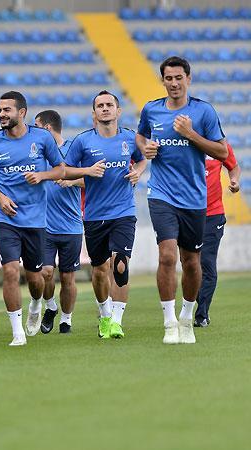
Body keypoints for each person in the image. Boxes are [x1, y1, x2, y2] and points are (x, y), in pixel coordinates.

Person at [136, 56, 228, 344]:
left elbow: (222, 152)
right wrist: (146, 148)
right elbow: (140, 137)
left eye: (179, 78)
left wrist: (190, 134)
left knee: (191, 262)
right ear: (162, 80)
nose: (174, 83)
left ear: (188, 79)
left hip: (194, 198)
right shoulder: (151, 109)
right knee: (167, 256)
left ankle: (187, 318)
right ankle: (169, 323)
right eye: (169, 78)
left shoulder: (203, 111)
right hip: (161, 194)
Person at [0, 91, 65, 346]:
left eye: (7, 110)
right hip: (6, 218)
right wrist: (0, 198)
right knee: (9, 271)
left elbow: (60, 169)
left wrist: (42, 176)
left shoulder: (42, 138)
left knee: (36, 278)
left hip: (36, 220)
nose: (2, 114)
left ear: (22, 112)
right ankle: (17, 332)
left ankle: (36, 304)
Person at [65, 91, 147, 339]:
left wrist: (138, 172)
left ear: (118, 111)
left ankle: (117, 323)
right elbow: (64, 170)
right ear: (94, 113)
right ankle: (105, 315)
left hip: (123, 211)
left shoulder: (130, 138)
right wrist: (87, 171)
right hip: (94, 215)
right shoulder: (82, 141)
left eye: (109, 104)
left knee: (120, 263)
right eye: (100, 105)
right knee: (100, 270)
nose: (105, 108)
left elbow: (142, 160)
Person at [33, 110, 83, 335]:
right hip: (44, 226)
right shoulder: (37, 153)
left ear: (47, 128)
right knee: (44, 272)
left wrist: (72, 181)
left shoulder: (74, 149)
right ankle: (51, 306)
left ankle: (66, 319)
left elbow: (91, 178)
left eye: (36, 126)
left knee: (68, 277)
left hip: (71, 226)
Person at [195, 143, 240, 327]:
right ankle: (197, 304)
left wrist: (234, 181)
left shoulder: (221, 146)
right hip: (189, 214)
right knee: (190, 264)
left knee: (207, 262)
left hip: (213, 214)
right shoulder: (185, 143)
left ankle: (201, 314)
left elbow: (233, 166)